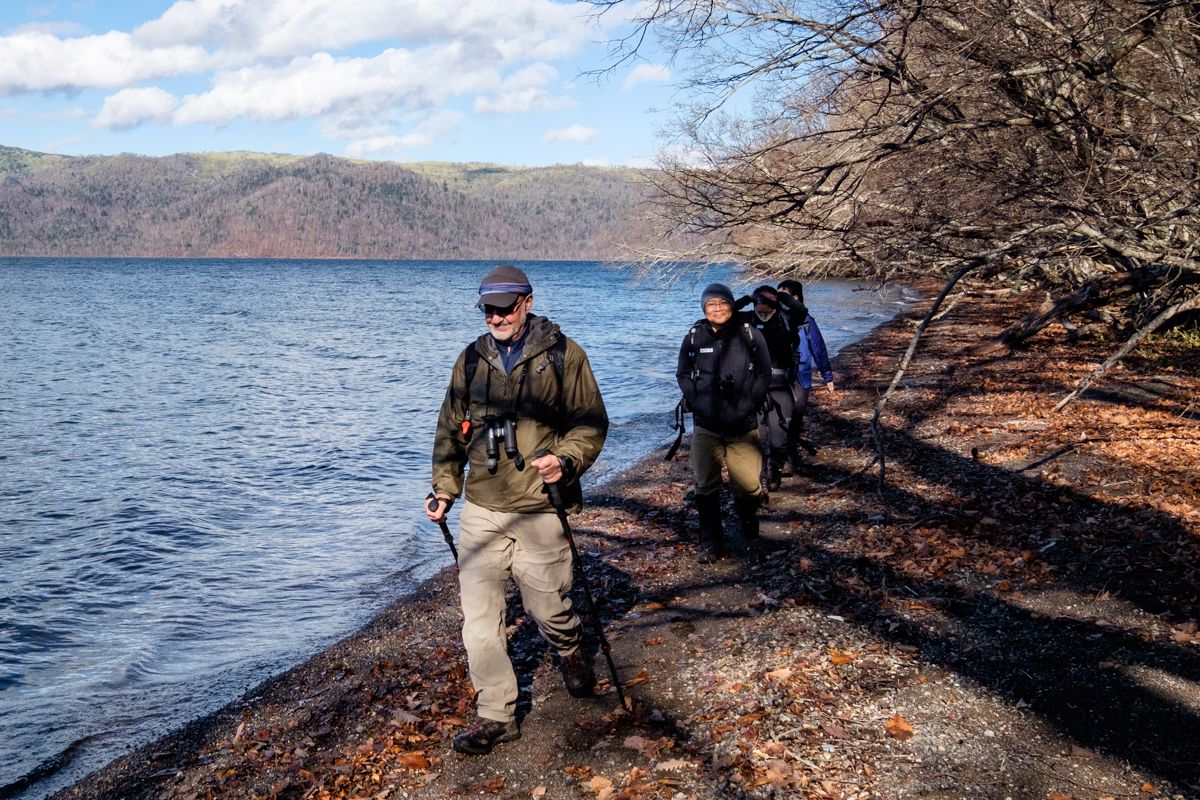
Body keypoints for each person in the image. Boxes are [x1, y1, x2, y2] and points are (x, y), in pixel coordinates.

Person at [426, 264, 608, 756]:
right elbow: (450, 430)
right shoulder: (470, 360)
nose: (496, 317)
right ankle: (496, 714)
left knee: (548, 608)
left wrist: (564, 460)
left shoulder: (565, 355)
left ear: (527, 303)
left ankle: (570, 647)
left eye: (505, 308)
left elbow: (590, 424)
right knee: (479, 619)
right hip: (481, 509)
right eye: (488, 309)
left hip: (540, 506)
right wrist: (444, 489)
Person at [677, 283, 771, 561]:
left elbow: (764, 373)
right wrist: (698, 401)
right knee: (705, 484)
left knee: (748, 486)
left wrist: (749, 403)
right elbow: (683, 374)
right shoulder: (694, 336)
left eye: (722, 303)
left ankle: (749, 524)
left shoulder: (749, 333)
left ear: (732, 305)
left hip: (743, 424)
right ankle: (712, 542)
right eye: (711, 305)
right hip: (706, 425)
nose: (717, 309)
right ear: (704, 308)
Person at [736, 284, 799, 491]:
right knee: (758, 437)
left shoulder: (785, 319)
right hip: (754, 385)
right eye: (759, 309)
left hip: (780, 384)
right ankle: (761, 475)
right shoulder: (747, 320)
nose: (763, 313)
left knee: (779, 437)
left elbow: (801, 310)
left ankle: (776, 469)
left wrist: (780, 297)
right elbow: (726, 314)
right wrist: (748, 299)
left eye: (767, 309)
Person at [776, 279, 836, 468]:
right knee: (778, 416)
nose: (779, 300)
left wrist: (827, 375)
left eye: (783, 296)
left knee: (795, 416)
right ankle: (780, 456)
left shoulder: (806, 321)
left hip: (801, 375)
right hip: (778, 376)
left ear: (796, 298)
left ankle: (791, 455)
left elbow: (818, 348)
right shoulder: (773, 319)